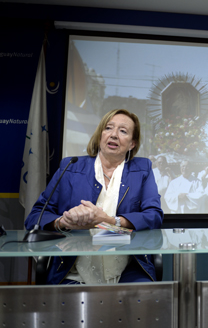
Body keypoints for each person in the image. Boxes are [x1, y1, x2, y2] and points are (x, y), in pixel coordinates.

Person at [25, 109, 163, 284]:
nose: (113, 135)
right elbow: (35, 216)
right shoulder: (71, 167)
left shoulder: (142, 169)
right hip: (72, 268)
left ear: (132, 144)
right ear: (100, 135)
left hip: (128, 267)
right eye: (108, 128)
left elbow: (154, 215)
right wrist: (63, 222)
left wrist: (107, 220)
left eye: (123, 131)